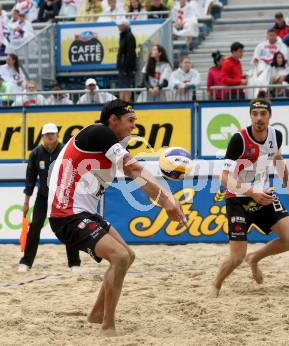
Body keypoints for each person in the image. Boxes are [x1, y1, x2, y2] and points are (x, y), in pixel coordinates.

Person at [48, 99, 187, 333]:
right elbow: (133, 171)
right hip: (66, 215)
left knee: (128, 256)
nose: (134, 127)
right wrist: (166, 203)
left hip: (84, 213)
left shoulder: (110, 143)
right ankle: (108, 326)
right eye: (130, 121)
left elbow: (138, 170)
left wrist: (169, 200)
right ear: (113, 120)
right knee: (120, 257)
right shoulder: (99, 132)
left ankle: (95, 313)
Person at [211, 98, 289, 297]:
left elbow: (278, 161)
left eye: (263, 114)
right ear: (251, 116)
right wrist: (252, 192)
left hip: (264, 195)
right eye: (255, 114)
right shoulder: (239, 139)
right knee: (236, 257)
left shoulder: (275, 135)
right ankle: (215, 285)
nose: (259, 118)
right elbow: (224, 178)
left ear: (270, 116)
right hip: (238, 198)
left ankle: (255, 258)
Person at [19, 123, 81, 273]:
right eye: (47, 134)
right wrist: (26, 202)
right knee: (35, 228)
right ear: (42, 137)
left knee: (69, 228)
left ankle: (74, 263)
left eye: (52, 134)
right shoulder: (35, 154)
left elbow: (74, 174)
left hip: (62, 197)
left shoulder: (65, 151)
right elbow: (30, 180)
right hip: (43, 197)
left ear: (57, 135)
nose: (50, 136)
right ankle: (26, 262)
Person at [116, 18, 136, 102]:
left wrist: (126, 68)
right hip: (122, 65)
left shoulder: (129, 36)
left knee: (126, 86)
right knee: (122, 86)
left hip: (126, 66)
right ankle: (122, 103)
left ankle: (126, 103)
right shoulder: (123, 35)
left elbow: (130, 53)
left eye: (120, 25)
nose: (118, 27)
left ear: (125, 25)